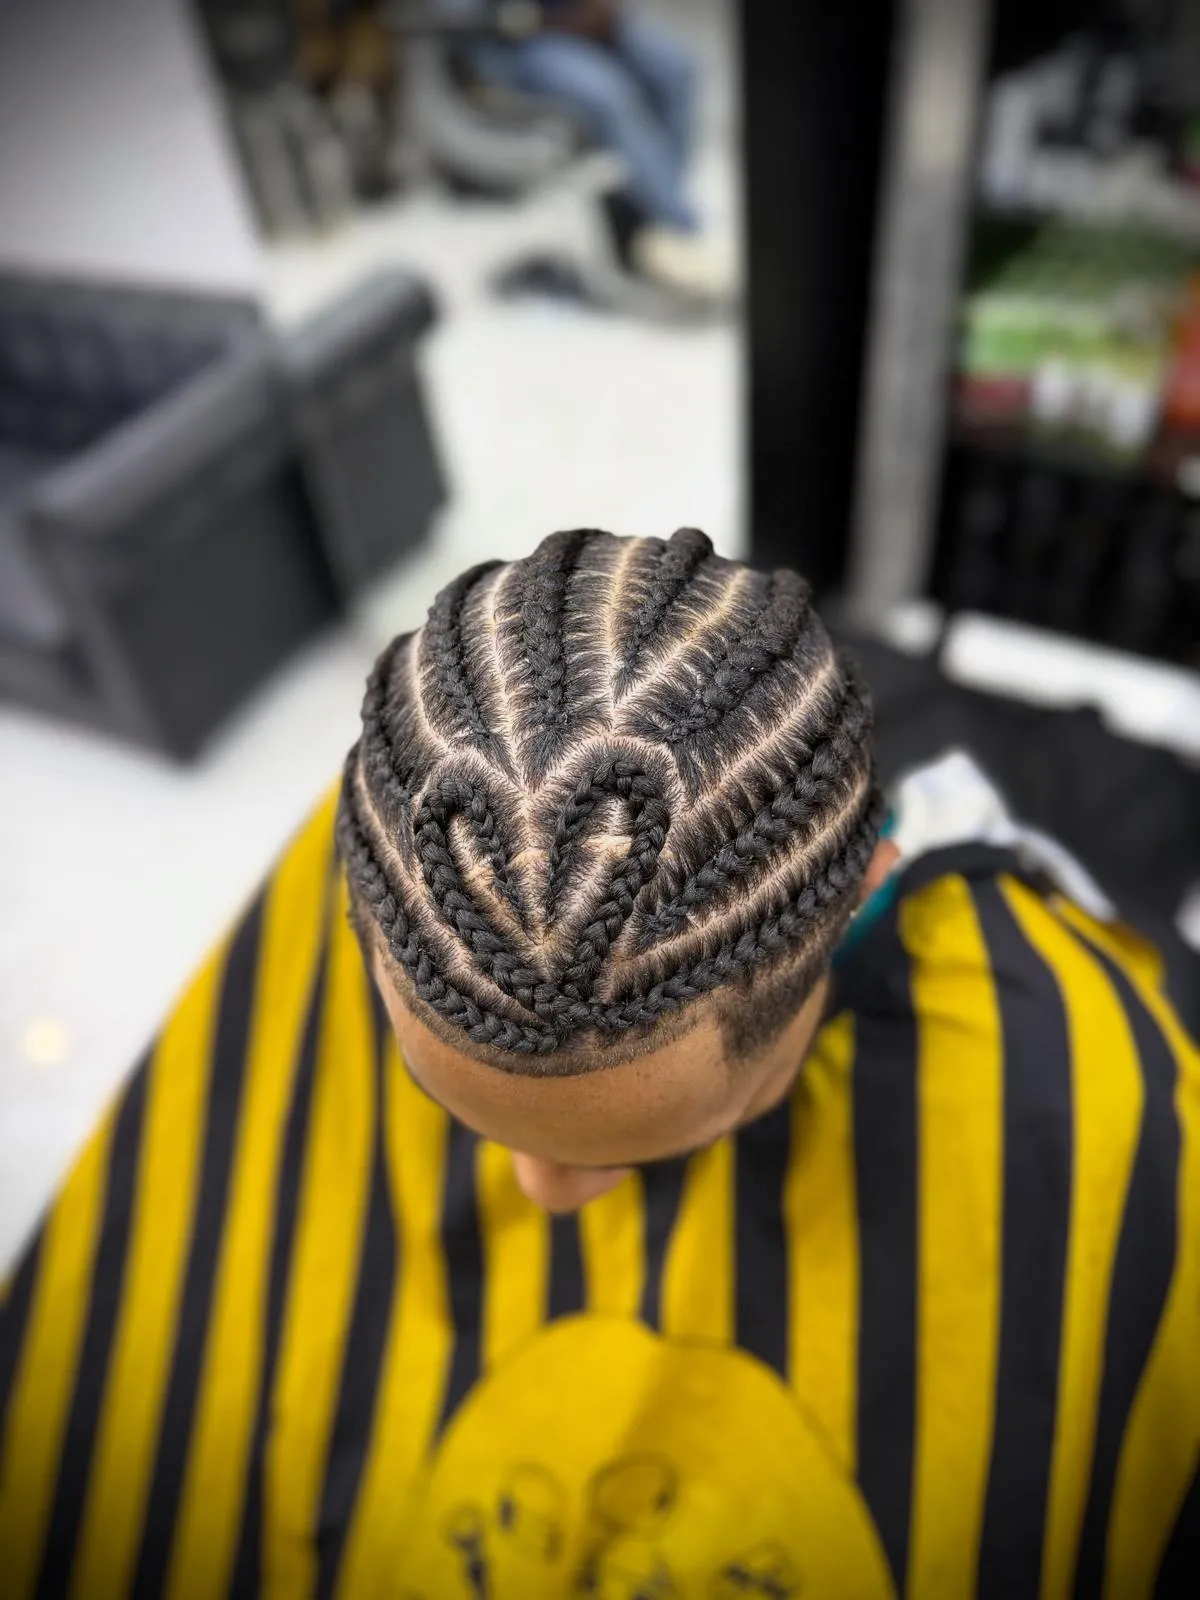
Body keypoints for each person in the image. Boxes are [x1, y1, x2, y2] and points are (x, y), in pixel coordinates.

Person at [1, 529, 1197, 1597]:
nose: (544, 1191)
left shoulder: (1101, 1104)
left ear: (858, 902)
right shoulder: (430, 867)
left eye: (656, 1145)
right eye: (461, 1111)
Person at [463, 1, 732, 301]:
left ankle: (648, 218)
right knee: (610, 95)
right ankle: (678, 228)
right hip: (525, 39)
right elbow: (467, 17)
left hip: (587, 21)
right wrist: (556, 21)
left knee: (676, 69)